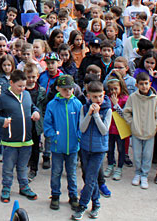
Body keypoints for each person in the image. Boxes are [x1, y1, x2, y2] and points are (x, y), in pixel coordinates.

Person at [0, 68, 40, 203]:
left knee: (23, 167)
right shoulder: (3, 98)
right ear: (11, 83)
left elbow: (32, 107)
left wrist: (36, 112)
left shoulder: (27, 95)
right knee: (8, 167)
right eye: (19, 86)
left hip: (27, 140)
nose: (22, 88)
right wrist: (2, 121)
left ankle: (24, 186)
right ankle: (6, 188)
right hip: (10, 141)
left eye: (24, 86)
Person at [71, 80, 111, 221]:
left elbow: (104, 130)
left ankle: (81, 206)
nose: (98, 100)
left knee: (90, 179)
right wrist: (89, 113)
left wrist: (96, 115)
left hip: (99, 150)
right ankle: (96, 203)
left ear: (104, 94)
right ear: (88, 96)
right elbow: (82, 128)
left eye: (100, 96)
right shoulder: (84, 108)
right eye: (94, 97)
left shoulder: (107, 110)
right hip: (85, 148)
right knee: (89, 178)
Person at [44, 74, 82, 211]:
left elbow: (81, 124)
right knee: (56, 172)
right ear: (58, 88)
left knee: (72, 173)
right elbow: (47, 124)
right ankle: (55, 195)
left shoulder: (77, 104)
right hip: (57, 147)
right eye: (65, 89)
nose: (68, 92)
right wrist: (53, 136)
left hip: (72, 147)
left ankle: (73, 196)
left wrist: (79, 137)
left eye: (70, 89)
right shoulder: (52, 105)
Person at [122, 71, 157, 190]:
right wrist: (131, 123)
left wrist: (155, 125)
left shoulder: (154, 98)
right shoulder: (133, 97)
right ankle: (138, 173)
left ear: (150, 84)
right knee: (137, 154)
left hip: (150, 132)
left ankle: (145, 175)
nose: (144, 86)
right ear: (137, 85)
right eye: (141, 84)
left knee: (147, 155)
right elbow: (126, 112)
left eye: (146, 83)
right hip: (136, 132)